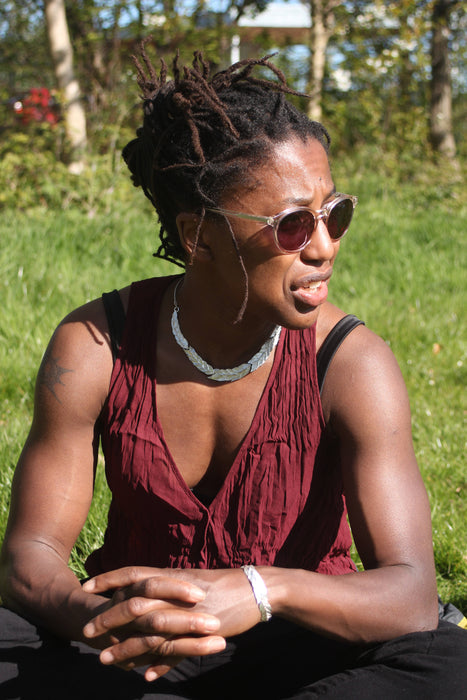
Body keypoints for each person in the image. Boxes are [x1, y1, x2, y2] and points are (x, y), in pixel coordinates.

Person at [0, 44, 466, 700]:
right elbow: (29, 559)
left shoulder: (351, 364)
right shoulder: (95, 344)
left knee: (448, 666)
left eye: (334, 215)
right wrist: (105, 620)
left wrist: (259, 588)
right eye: (292, 225)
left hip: (302, 640)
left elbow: (411, 592)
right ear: (197, 235)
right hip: (135, 644)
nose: (324, 246)